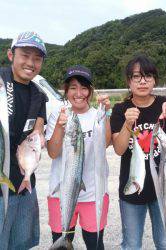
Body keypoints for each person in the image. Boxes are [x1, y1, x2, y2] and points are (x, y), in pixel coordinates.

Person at [110, 55, 166, 250]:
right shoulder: (121, 109)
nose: (143, 81)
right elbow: (119, 149)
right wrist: (128, 124)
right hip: (133, 187)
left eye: (148, 76)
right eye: (136, 76)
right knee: (131, 244)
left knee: (165, 243)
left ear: (155, 79)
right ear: (129, 81)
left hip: (165, 186)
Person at [46, 65, 111, 249]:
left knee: (95, 244)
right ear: (66, 90)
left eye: (84, 87)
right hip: (61, 193)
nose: (79, 93)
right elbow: (52, 152)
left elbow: (105, 143)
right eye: (73, 87)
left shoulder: (97, 115)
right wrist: (59, 126)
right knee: (61, 243)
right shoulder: (59, 115)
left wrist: (105, 114)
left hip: (93, 193)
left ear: (90, 91)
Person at [0, 31, 47, 249]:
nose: (31, 63)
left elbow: (38, 129)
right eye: (25, 55)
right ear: (11, 55)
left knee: (21, 244)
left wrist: (40, 137)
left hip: (24, 185)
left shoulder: (39, 95)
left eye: (37, 59)